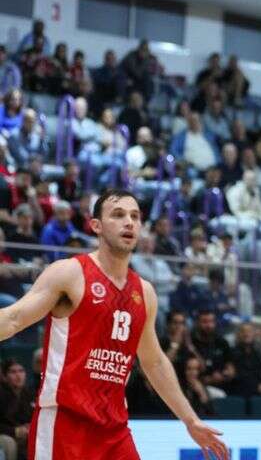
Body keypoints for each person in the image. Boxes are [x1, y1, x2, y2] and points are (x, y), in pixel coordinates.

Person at [0, 188, 227, 459]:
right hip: (65, 423)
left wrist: (190, 419)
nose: (129, 222)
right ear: (96, 226)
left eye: (135, 216)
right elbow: (13, 319)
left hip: (115, 430)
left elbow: (154, 362)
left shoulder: (144, 292)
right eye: (118, 215)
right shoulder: (69, 273)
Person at [229, 323, 261, 398]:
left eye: (249, 331)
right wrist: (256, 386)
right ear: (239, 334)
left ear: (254, 334)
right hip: (242, 388)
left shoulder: (258, 352)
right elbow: (238, 375)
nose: (246, 334)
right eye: (243, 331)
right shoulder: (232, 352)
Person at [0, 358, 32, 460]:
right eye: (13, 372)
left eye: (21, 371)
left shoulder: (29, 394)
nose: (18, 376)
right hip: (5, 435)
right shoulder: (1, 394)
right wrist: (15, 431)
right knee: (9, 442)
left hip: (25, 434)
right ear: (4, 377)